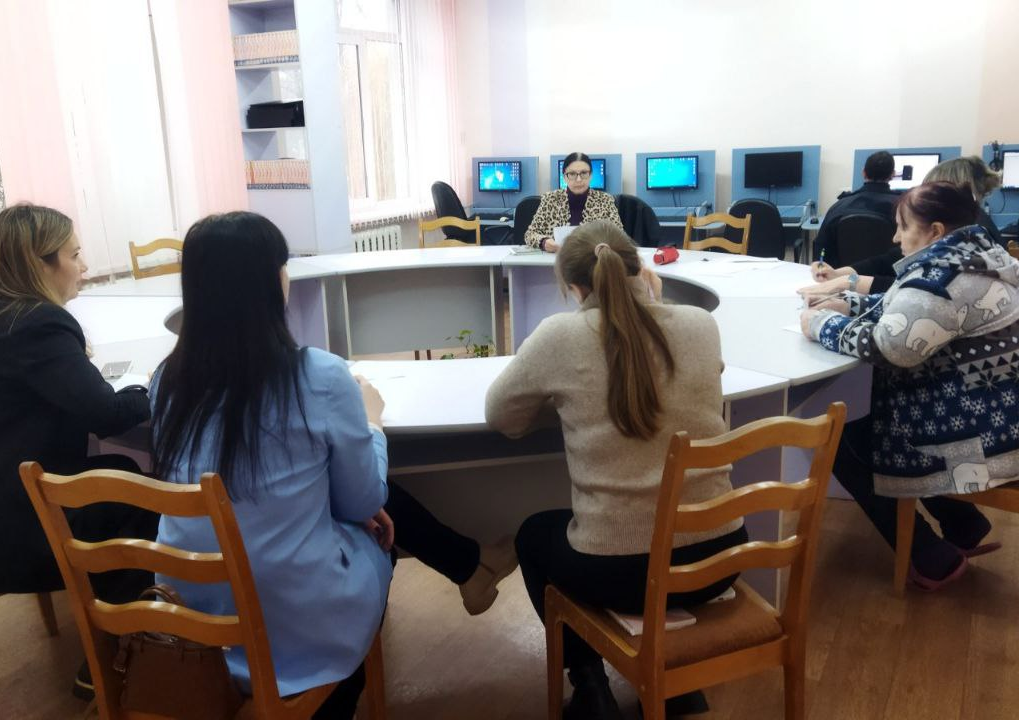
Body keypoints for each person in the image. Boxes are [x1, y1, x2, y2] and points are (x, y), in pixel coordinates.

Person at [151, 212, 516, 719]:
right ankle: (337, 693)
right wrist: (371, 424)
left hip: (190, 621)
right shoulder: (318, 376)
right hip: (292, 623)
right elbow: (365, 500)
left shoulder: (166, 381)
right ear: (272, 283)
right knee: (377, 530)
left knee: (342, 506)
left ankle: (470, 569)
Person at [486, 221, 746, 720]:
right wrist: (657, 302)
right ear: (641, 269)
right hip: (720, 558)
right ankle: (674, 684)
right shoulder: (700, 324)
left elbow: (503, 417)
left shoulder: (560, 335)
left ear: (574, 287)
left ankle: (591, 688)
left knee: (533, 535)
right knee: (656, 539)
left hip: (621, 574)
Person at [0, 203, 157, 698]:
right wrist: (155, 389)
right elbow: (105, 413)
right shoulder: (39, 323)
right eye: (74, 255)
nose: (84, 266)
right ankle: (112, 649)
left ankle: (115, 621)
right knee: (137, 491)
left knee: (118, 470)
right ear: (40, 263)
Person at [799, 182, 1019, 590]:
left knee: (841, 439)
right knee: (872, 429)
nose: (895, 238)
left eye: (903, 227)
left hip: (996, 442)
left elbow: (890, 346)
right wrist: (848, 304)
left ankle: (929, 557)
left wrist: (821, 324)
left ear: (935, 231)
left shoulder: (943, 278)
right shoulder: (980, 257)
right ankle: (964, 525)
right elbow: (905, 309)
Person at [801, 156, 1006, 301]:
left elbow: (913, 290)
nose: (896, 238)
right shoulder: (969, 232)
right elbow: (889, 260)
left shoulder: (970, 242)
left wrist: (848, 282)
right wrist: (839, 274)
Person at [811, 150, 902, 266]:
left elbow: (821, 248)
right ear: (893, 174)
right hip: (888, 275)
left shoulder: (839, 206)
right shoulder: (903, 208)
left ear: (864, 173)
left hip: (842, 274)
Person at [525, 152, 622, 252]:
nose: (579, 179)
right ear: (564, 177)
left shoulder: (605, 200)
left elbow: (619, 236)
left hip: (593, 259)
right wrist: (544, 242)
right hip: (557, 259)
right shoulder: (550, 199)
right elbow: (530, 234)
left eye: (584, 173)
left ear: (590, 175)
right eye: (572, 174)